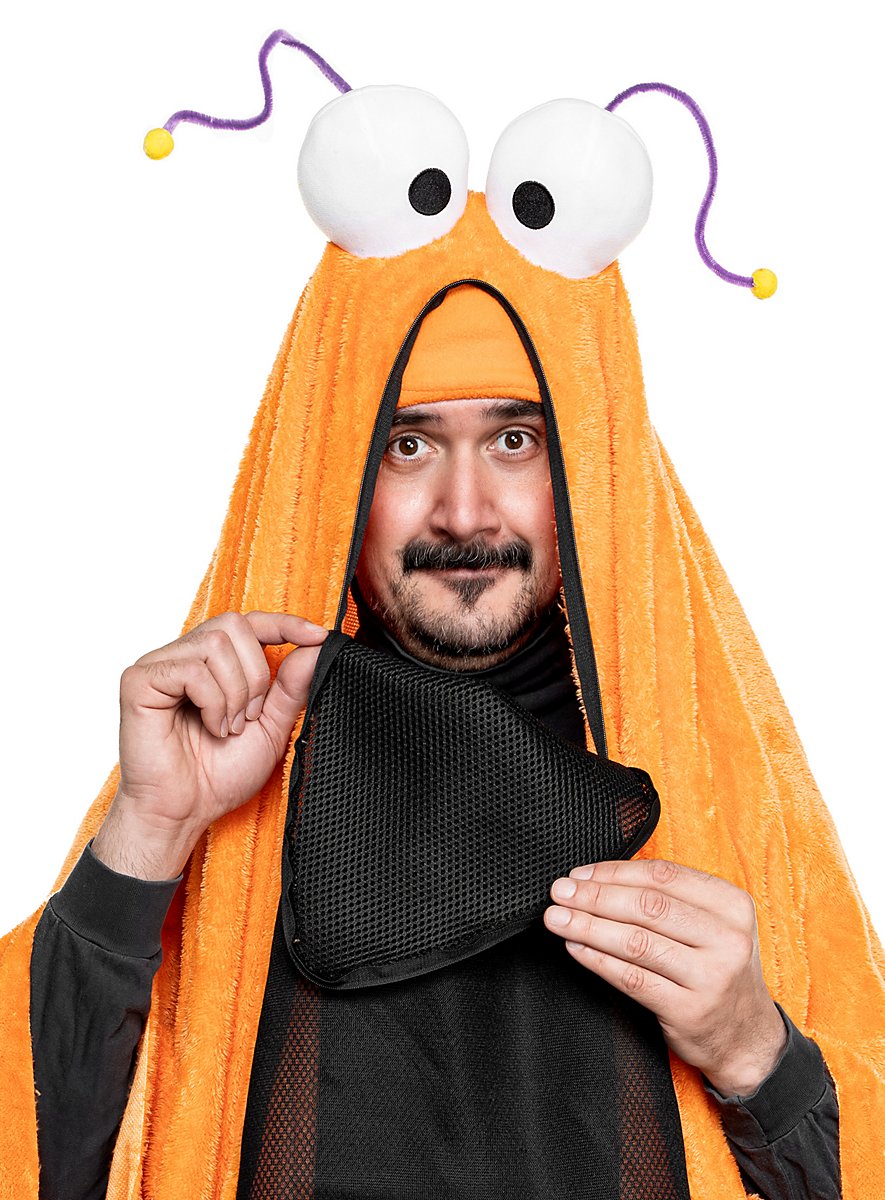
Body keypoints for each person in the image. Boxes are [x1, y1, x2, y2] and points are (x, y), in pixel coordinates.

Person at [3, 81, 883, 1198]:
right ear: (335, 459)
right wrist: (146, 840)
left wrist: (760, 1057)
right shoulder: (218, 785)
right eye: (409, 446)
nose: (465, 512)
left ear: (589, 460)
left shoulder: (724, 806)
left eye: (515, 440)